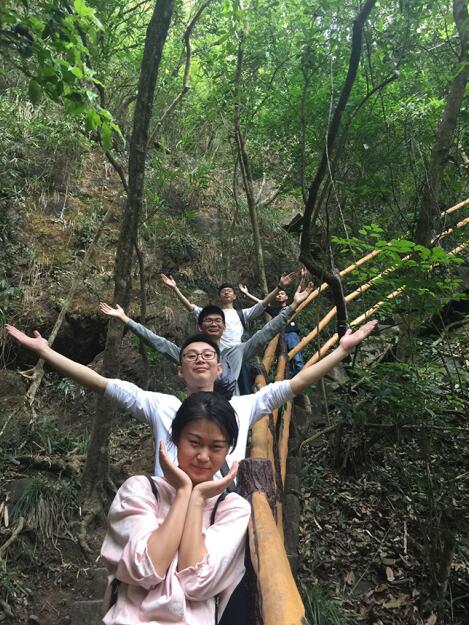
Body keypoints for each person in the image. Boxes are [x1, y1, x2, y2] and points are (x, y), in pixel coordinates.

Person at [5, 321, 377, 477]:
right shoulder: (161, 405)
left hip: (222, 517)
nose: (200, 359)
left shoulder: (242, 406)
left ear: (220, 369)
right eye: (191, 356)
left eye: (207, 355)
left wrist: (341, 351)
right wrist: (46, 352)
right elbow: (101, 383)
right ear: (180, 371)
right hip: (166, 512)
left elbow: (293, 385)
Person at [101, 391, 250, 625]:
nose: (203, 456)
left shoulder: (232, 509)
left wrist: (197, 498)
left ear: (228, 449)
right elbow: (146, 569)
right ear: (176, 438)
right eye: (194, 443)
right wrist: (183, 492)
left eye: (216, 447)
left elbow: (196, 584)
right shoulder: (141, 490)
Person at [99, 281, 314, 396]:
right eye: (208, 321)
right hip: (199, 415)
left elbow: (266, 332)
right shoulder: (193, 355)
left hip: (231, 415)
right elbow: (160, 344)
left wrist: (293, 306)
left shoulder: (237, 352)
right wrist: (127, 320)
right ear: (200, 326)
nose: (213, 323)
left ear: (224, 326)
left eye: (217, 321)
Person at [160, 272, 298, 349]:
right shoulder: (212, 316)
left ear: (234, 296)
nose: (226, 292)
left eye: (229, 291)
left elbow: (263, 304)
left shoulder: (242, 314)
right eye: (223, 291)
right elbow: (190, 307)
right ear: (219, 297)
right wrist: (175, 288)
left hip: (239, 354)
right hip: (218, 355)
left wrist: (279, 287)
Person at [239, 282, 305, 376]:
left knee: (297, 358)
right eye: (278, 294)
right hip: (279, 338)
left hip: (291, 334)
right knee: (285, 361)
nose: (279, 295)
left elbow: (301, 293)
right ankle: (291, 376)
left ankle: (300, 371)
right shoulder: (274, 310)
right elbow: (261, 302)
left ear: (286, 297)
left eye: (282, 294)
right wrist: (247, 293)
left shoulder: (292, 306)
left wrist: (303, 278)